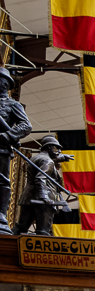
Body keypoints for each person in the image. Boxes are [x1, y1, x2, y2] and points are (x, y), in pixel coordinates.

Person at [13, 135, 71, 236]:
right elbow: (40, 178)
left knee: (20, 229)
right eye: (56, 148)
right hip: (44, 200)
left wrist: (61, 157)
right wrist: (44, 197)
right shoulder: (48, 161)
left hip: (28, 197)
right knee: (42, 233)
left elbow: (44, 162)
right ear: (49, 147)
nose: (59, 151)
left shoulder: (35, 158)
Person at [0, 67, 32, 235]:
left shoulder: (13, 105)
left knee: (2, 182)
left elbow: (26, 125)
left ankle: (0, 215)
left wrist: (9, 135)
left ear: (5, 84)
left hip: (1, 148)